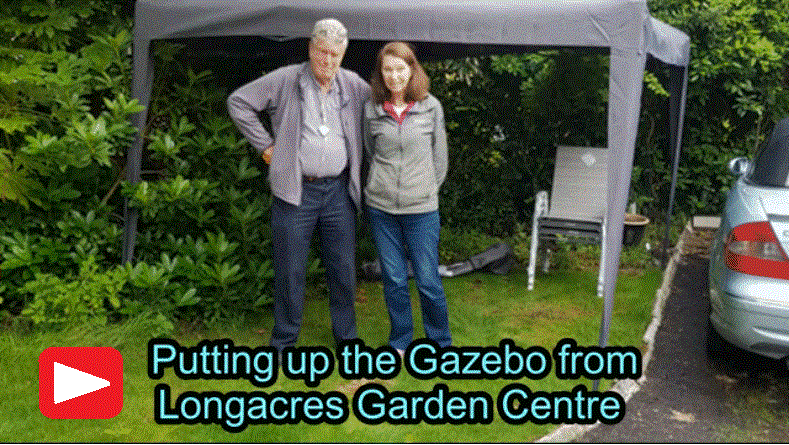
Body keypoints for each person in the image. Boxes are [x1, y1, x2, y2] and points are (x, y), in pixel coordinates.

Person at [226, 18, 369, 353]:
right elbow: (238, 102)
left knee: (343, 269)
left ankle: (347, 340)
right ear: (310, 48)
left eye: (335, 55)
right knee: (290, 270)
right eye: (322, 52)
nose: (328, 61)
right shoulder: (286, 78)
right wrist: (265, 146)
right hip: (295, 191)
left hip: (339, 192)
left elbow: (382, 105)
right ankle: (283, 344)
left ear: (343, 55)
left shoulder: (352, 84)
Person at [363, 41, 451, 353]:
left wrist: (424, 190)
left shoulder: (431, 107)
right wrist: (381, 184)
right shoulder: (372, 110)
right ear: (380, 73)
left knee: (427, 280)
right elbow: (371, 153)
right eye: (387, 69)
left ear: (412, 69)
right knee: (394, 279)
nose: (394, 76)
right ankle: (400, 341)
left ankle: (440, 342)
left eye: (400, 68)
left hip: (421, 210)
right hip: (382, 209)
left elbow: (440, 160)